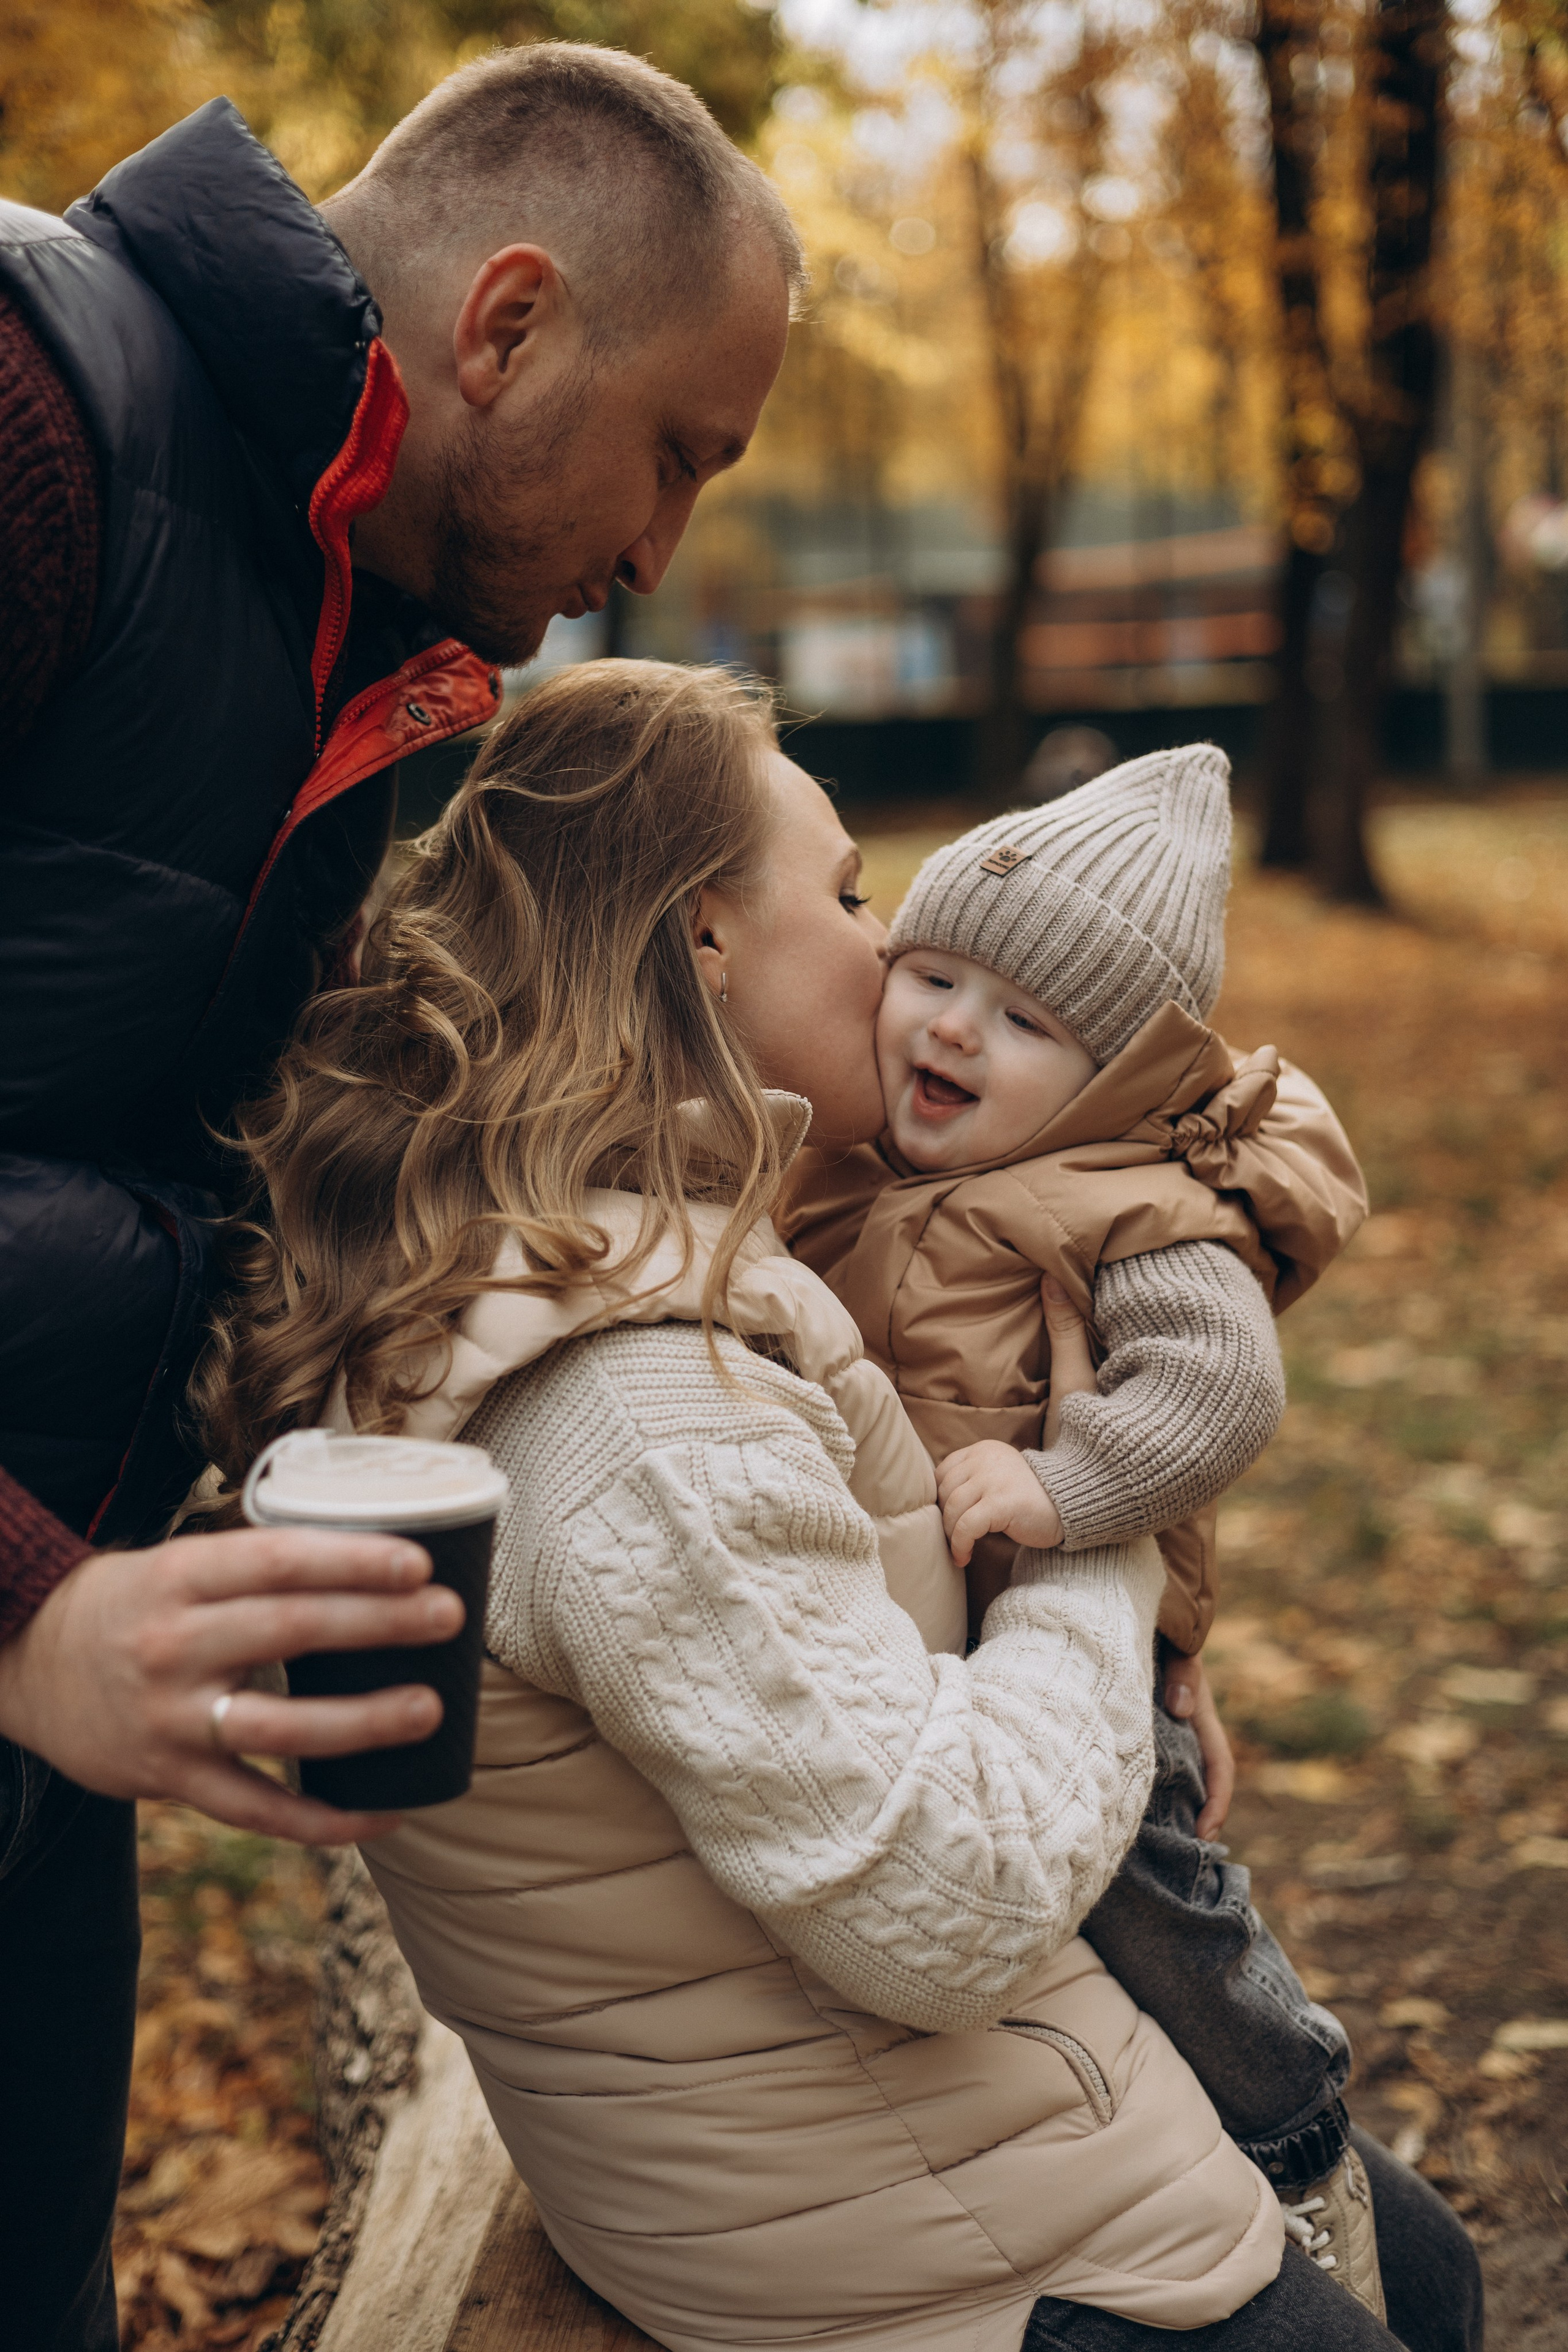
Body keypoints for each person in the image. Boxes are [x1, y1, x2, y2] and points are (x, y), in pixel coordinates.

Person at [200, 662, 1482, 2352]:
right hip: (903, 2229)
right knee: (1412, 2287)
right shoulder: (636, 1404)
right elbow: (943, 1908)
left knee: (1436, 2264)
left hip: (819, 2136)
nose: (892, 958)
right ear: (706, 937)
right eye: (857, 894)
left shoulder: (608, 1229)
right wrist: (1095, 1539)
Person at [0, 46, 796, 2350]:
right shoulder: (42, 419)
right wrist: (31, 1615)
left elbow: (187, 1139)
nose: (660, 553)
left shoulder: (354, 616)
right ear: (512, 319)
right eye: (680, 454)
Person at [780, 748, 1384, 2306]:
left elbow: (1218, 1392)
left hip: (1073, 1648)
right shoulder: (856, 1164)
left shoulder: (1128, 1204)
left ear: (1114, 1076)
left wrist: (1065, 1488)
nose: (955, 1029)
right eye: (929, 974)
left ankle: (1291, 2116)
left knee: (1145, 1889)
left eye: (1026, 1021)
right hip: (949, 1658)